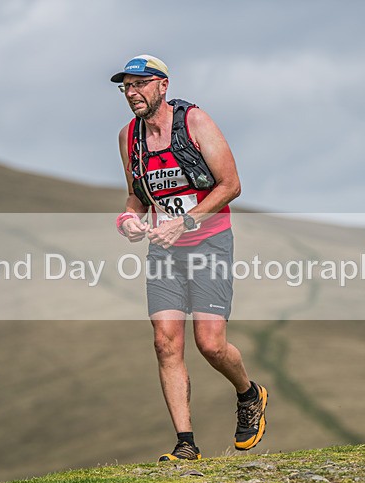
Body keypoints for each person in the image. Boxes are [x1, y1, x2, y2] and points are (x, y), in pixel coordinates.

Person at [111, 54, 268, 461]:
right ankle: (186, 444)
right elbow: (136, 196)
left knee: (211, 345)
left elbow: (231, 185)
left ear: (163, 85)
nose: (132, 93)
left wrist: (186, 222)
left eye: (140, 84)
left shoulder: (195, 122)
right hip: (163, 251)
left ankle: (249, 394)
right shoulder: (128, 138)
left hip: (210, 244)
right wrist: (129, 220)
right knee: (165, 343)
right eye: (126, 87)